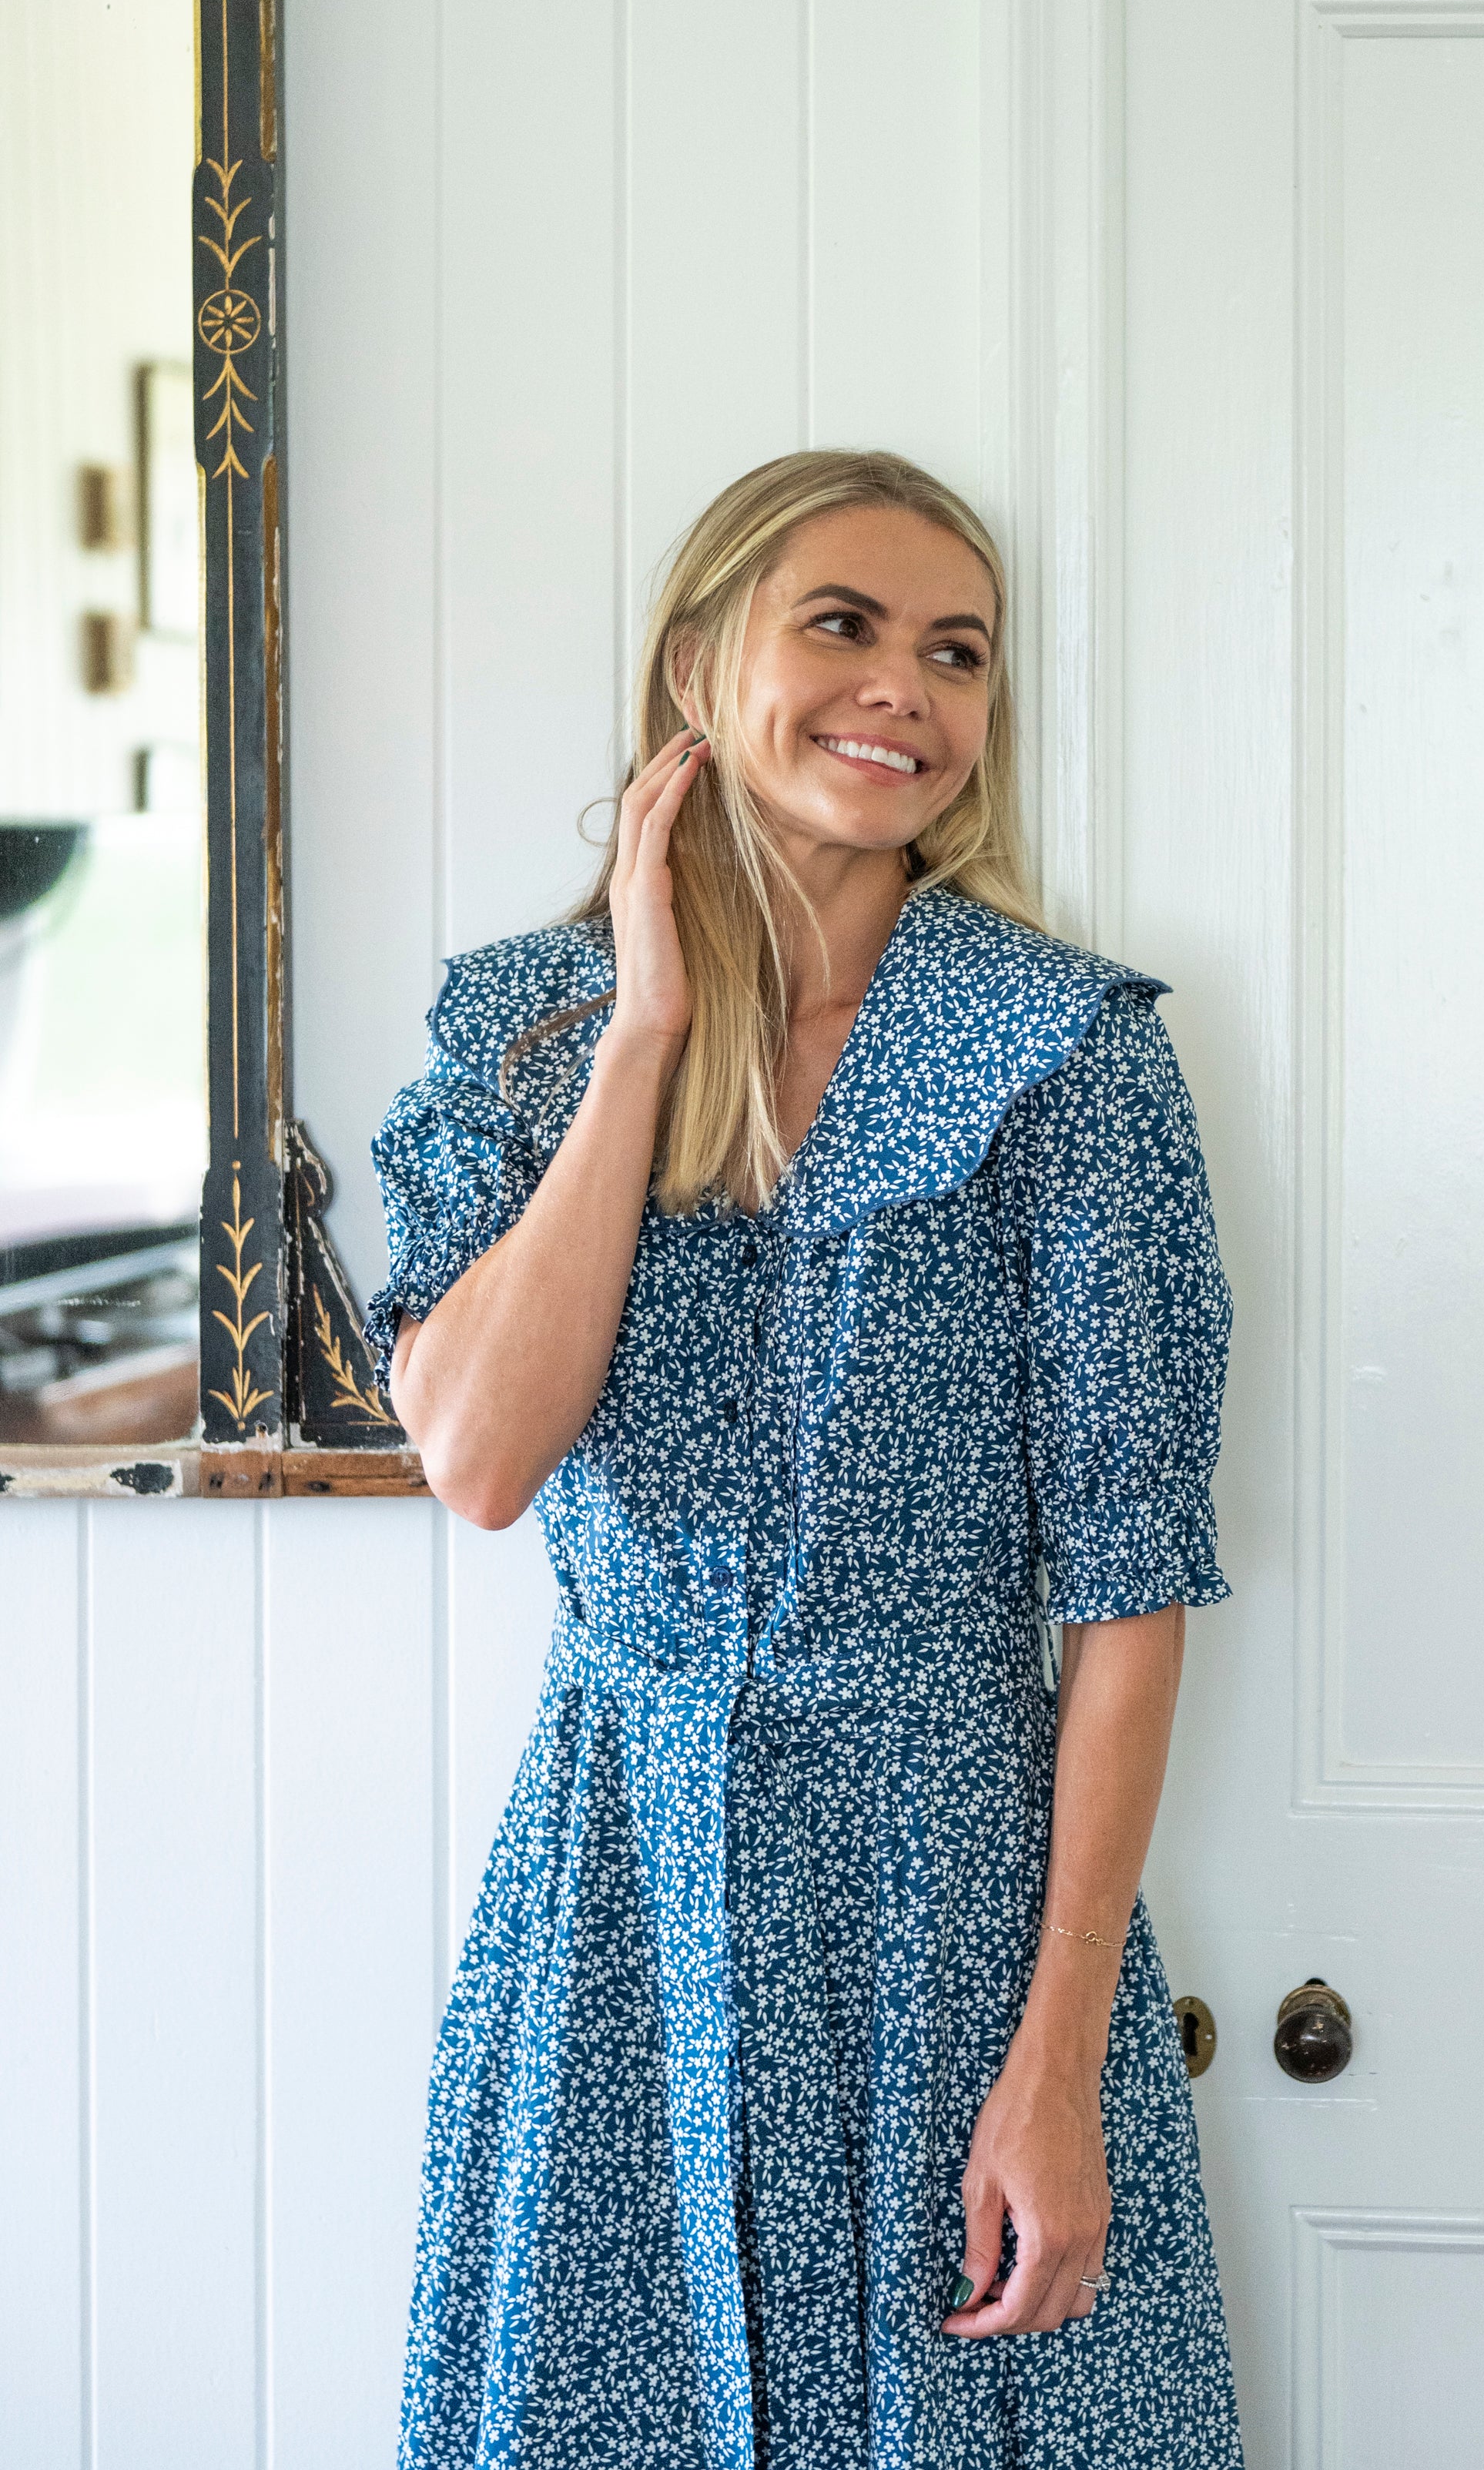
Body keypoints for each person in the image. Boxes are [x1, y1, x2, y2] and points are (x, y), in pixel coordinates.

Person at [365, 449, 1244, 2469]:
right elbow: (483, 1458)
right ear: (700, 667)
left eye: (960, 651)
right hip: (625, 1890)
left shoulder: (1066, 1056)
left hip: (954, 1890)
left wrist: (1060, 2066)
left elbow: (1128, 1589)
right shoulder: (523, 1033)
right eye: (841, 625)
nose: (908, 689)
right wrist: (644, 1035)